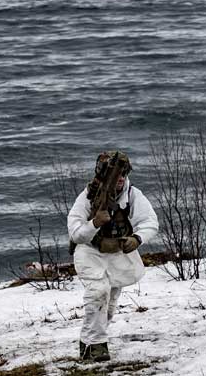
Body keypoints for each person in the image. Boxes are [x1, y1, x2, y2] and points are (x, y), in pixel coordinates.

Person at [67, 151, 158, 362]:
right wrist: (94, 224)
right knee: (98, 293)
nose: (120, 179)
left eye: (123, 174)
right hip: (90, 252)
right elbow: (75, 233)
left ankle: (88, 343)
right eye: (116, 175)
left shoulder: (133, 194)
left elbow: (150, 221)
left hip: (118, 253)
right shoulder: (87, 197)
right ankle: (97, 345)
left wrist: (137, 238)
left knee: (109, 305)